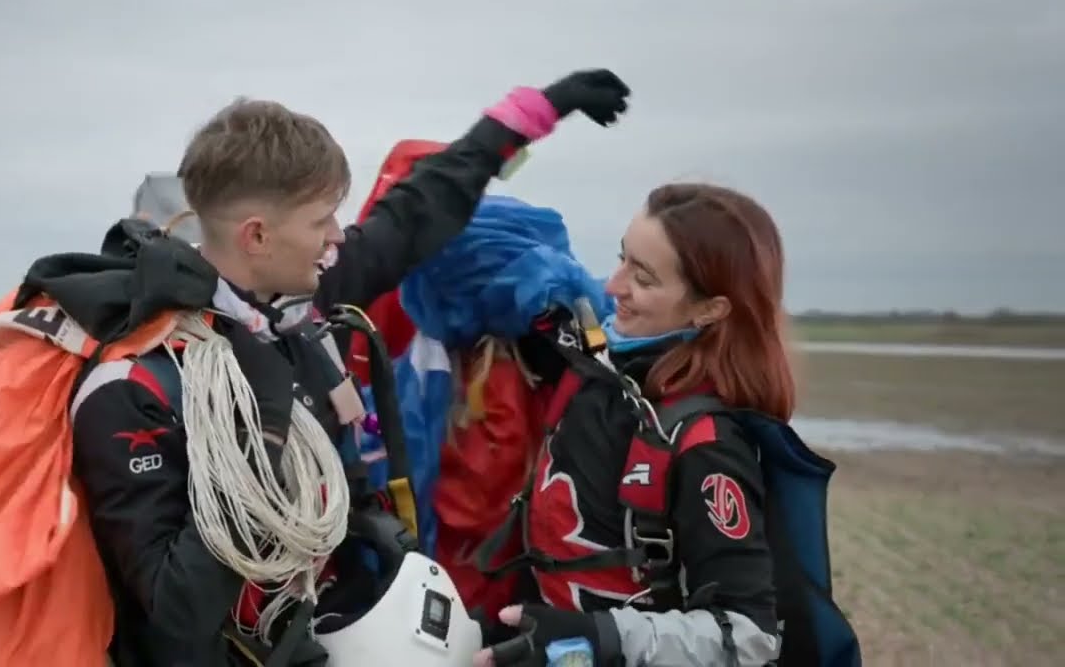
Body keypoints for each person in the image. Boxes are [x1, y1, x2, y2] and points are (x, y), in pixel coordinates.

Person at [67, 69, 632, 666]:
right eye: (321, 222)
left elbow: (418, 213)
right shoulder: (136, 385)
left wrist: (533, 112)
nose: (338, 237)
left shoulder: (295, 308)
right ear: (257, 236)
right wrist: (262, 430)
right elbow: (178, 618)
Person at [471, 183, 858, 666]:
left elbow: (747, 637)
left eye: (644, 277)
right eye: (622, 259)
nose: (613, 287)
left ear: (710, 309)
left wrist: (597, 639)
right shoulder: (597, 370)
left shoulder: (706, 445)